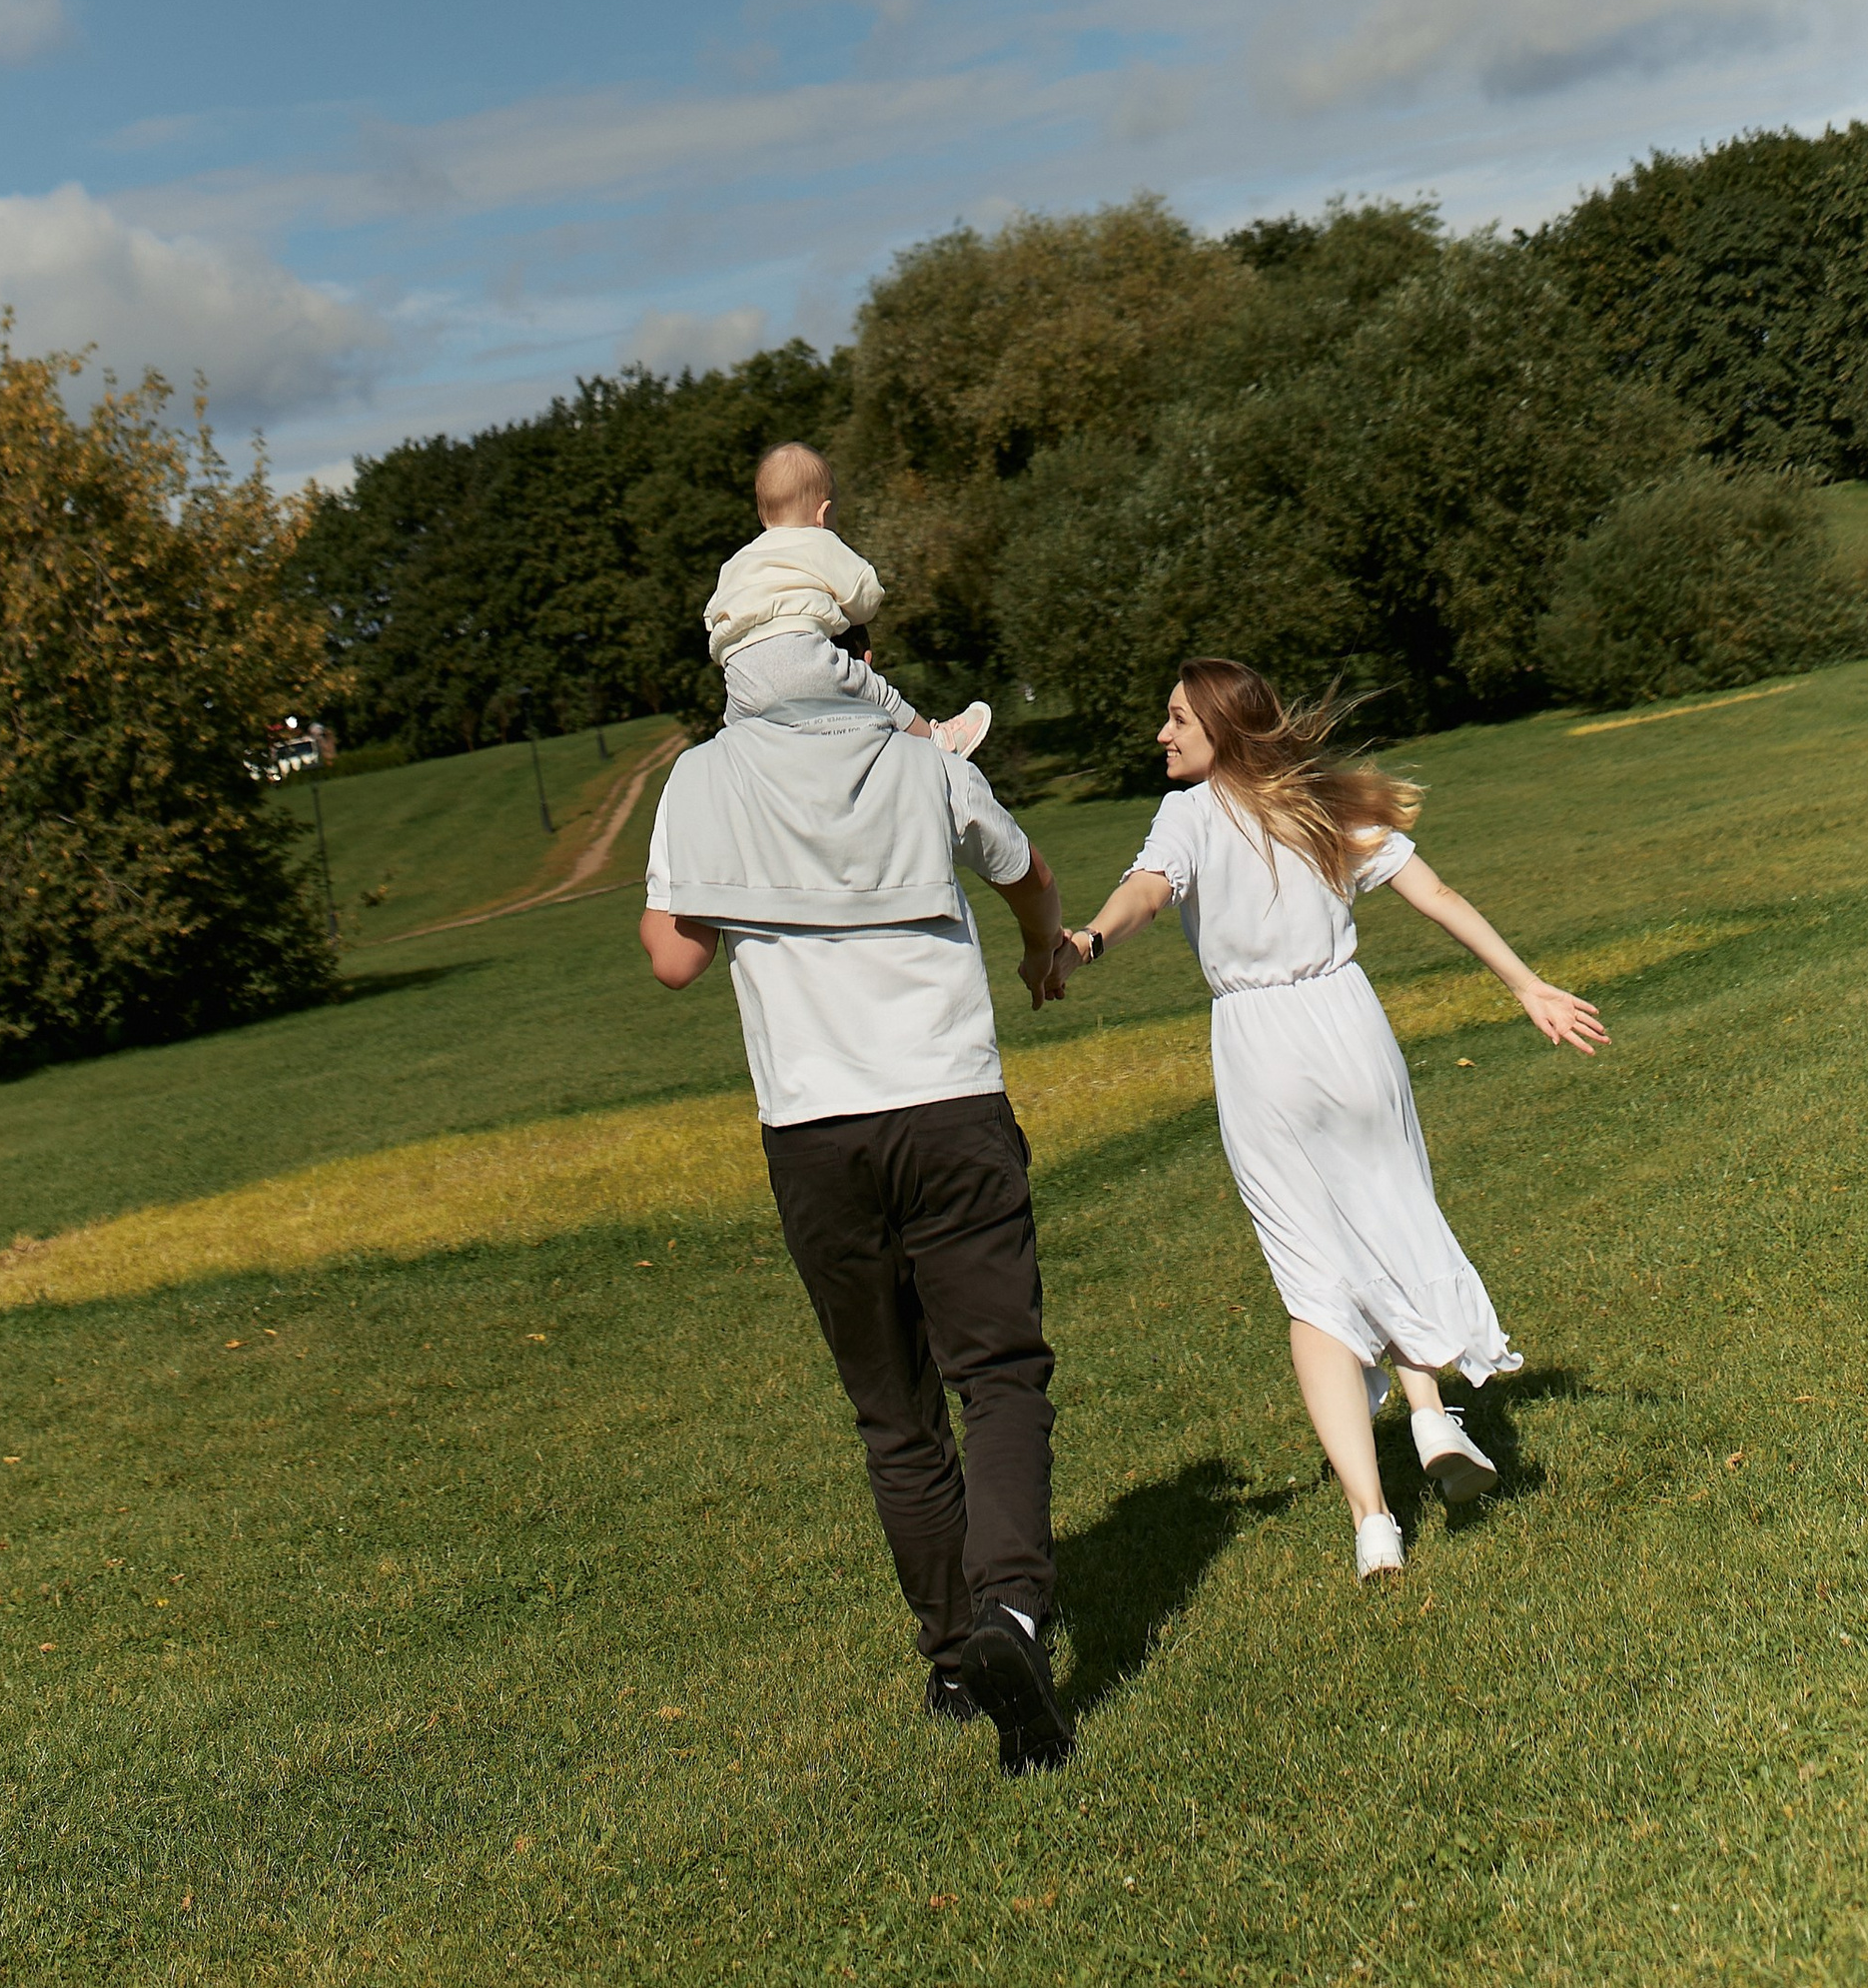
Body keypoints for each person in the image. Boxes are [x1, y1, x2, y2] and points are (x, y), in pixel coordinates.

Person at [641, 493, 1075, 1773]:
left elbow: (672, 960)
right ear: (844, 635)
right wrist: (1040, 950)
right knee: (996, 1376)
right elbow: (1026, 871)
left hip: (814, 1134)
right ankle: (1009, 1609)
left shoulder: (701, 783)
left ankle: (956, 1659)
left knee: (895, 1417)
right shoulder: (923, 759)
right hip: (948, 1101)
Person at [1058, 657, 1606, 1581]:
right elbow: (1436, 894)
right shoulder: (1318, 803)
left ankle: (1373, 1524)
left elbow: (1148, 892)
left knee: (1311, 1277)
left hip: (1260, 1047)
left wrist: (1090, 940)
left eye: (1178, 721)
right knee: (1392, 1213)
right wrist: (1526, 984)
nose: (1163, 735)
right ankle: (1429, 1416)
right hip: (1349, 1026)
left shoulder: (1188, 816)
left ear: (1222, 732)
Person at [707, 440, 989, 758]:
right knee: (874, 690)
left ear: (762, 515)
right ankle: (939, 742)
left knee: (735, 743)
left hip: (740, 674)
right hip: (800, 657)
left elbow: (714, 615)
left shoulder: (737, 562)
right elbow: (866, 595)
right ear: (824, 514)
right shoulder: (818, 541)